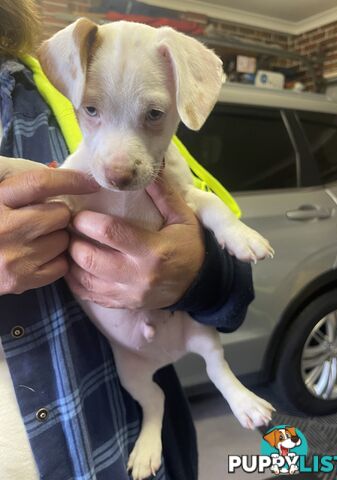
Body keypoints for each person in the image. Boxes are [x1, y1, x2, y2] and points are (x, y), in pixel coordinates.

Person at [0, 1, 254, 479]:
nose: (116, 165)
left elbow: (235, 278)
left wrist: (196, 272)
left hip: (118, 436)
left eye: (153, 114)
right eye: (91, 111)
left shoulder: (60, 79)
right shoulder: (73, 72)